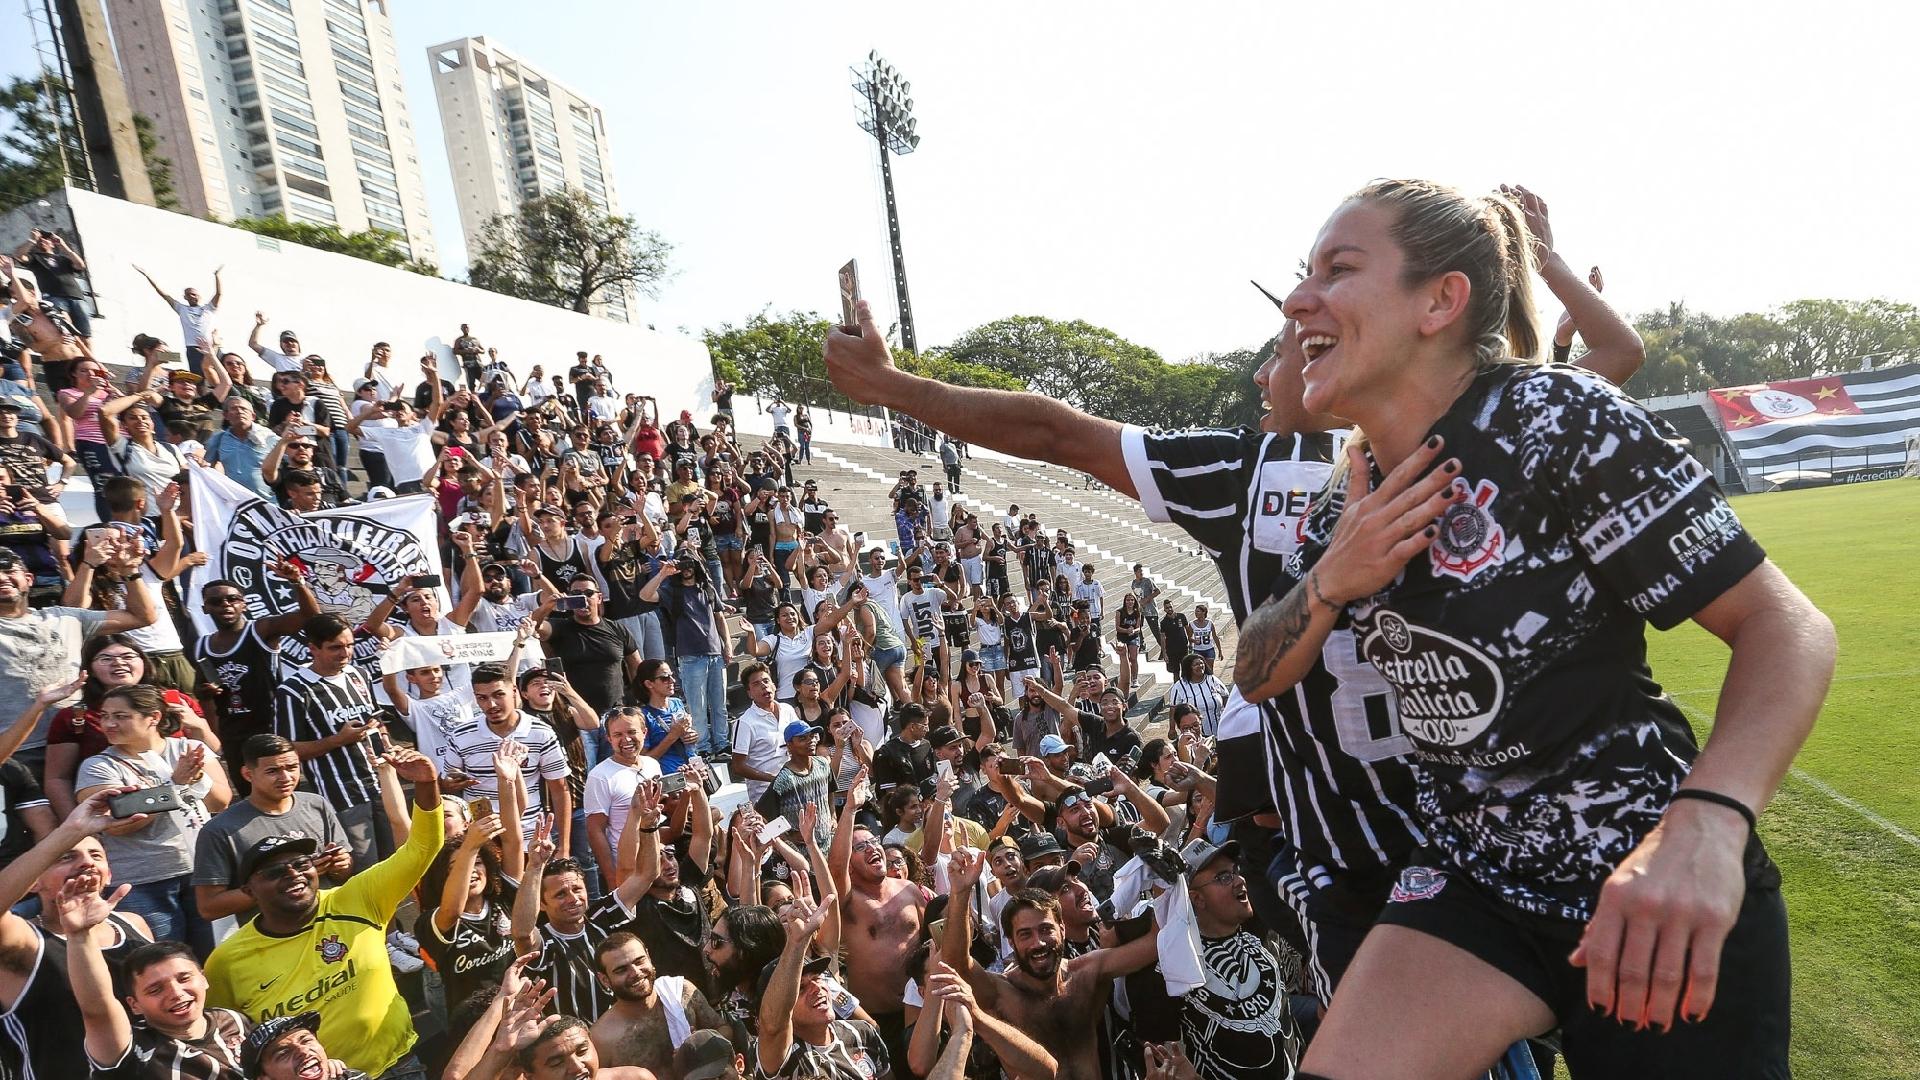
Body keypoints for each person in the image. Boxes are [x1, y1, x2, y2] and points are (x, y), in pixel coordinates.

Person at [1234, 179, 1831, 1077]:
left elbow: (1785, 626)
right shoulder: (1346, 498)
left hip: (1642, 878)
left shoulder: (1555, 419)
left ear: (1441, 301)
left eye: (1338, 269)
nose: (1299, 300)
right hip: (1472, 882)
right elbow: (1255, 674)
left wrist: (1707, 828)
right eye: (1303, 274)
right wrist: (1329, 580)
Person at [204, 746, 445, 1080]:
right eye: (273, 872)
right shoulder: (226, 962)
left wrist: (426, 785)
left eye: (302, 863)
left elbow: (422, 848)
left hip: (400, 1065)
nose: (293, 874)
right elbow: (225, 1034)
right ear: (248, 891)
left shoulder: (357, 898)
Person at [941, 847, 1161, 1080]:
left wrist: (1163, 881)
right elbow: (957, 965)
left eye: (1046, 930)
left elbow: (1156, 943)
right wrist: (961, 892)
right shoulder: (1001, 993)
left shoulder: (1086, 973)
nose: (1038, 943)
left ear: (1062, 929)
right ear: (1011, 942)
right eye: (1025, 934)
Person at [0, 789, 157, 1080]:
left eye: (96, 854)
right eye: (66, 857)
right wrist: (72, 829)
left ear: (109, 873)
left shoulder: (133, 924)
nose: (86, 863)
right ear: (33, 881)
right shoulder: (25, 942)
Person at [72, 684, 231, 951]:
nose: (109, 724)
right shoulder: (98, 766)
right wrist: (175, 786)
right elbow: (117, 822)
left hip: (201, 873)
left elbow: (220, 801)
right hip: (141, 882)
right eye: (105, 716)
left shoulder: (189, 749)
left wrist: (195, 778)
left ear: (154, 718)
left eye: (120, 716)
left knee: (216, 956)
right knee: (162, 960)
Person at [0, 546, 157, 781]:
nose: (2, 578)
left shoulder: (65, 617)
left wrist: (131, 571)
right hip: (21, 750)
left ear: (29, 579)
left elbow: (142, 616)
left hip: (82, 738)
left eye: (9, 570)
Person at [510, 799, 673, 1022]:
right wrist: (535, 866)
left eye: (577, 889)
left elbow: (645, 875)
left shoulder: (601, 918)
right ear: (542, 904)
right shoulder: (545, 942)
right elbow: (521, 933)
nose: (573, 899)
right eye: (560, 894)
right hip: (577, 1047)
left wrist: (648, 826)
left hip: (627, 1035)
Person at [193, 733, 351, 922]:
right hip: (272, 940)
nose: (285, 777)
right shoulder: (220, 830)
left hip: (330, 925)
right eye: (272, 771)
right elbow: (209, 907)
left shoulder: (316, 805)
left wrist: (339, 865)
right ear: (247, 774)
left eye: (292, 767)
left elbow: (345, 871)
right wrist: (285, 882)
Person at [273, 613, 388, 869]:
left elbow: (378, 721)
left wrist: (388, 749)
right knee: (365, 870)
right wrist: (338, 740)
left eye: (349, 645)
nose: (345, 653)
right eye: (335, 647)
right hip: (342, 793)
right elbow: (289, 750)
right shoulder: (294, 690)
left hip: (383, 785)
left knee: (397, 862)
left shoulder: (359, 676)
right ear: (312, 648)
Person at [189, 564, 321, 786]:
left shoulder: (260, 630)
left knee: (284, 787)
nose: (225, 605)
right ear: (205, 608)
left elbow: (310, 618)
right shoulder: (202, 646)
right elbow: (203, 695)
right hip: (234, 733)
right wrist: (216, 728)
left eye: (232, 599)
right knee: (249, 791)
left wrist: (297, 582)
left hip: (270, 726)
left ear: (244, 604)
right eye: (216, 602)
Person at [444, 663, 572, 846]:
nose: (491, 705)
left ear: (514, 691)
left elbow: (560, 789)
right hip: (480, 838)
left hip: (528, 837)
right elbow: (448, 781)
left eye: (498, 695)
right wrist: (452, 782)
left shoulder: (541, 732)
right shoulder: (461, 735)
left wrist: (564, 846)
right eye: (482, 698)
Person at [588, 931, 725, 1075]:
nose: (635, 972)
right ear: (604, 980)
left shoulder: (682, 993)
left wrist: (703, 1045)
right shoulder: (601, 1039)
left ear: (649, 956)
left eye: (639, 961)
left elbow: (723, 1027)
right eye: (621, 970)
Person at [638, 555, 732, 756]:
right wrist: (663, 573)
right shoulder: (671, 591)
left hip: (715, 651)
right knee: (697, 707)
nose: (687, 568)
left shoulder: (707, 587)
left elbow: (720, 617)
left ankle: (722, 743)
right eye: (683, 565)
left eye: (690, 564)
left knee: (719, 704)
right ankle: (704, 747)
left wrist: (728, 645)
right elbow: (645, 595)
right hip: (690, 655)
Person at [541, 574, 642, 721]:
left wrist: (638, 702)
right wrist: (547, 606)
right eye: (576, 594)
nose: (583, 599)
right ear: (569, 597)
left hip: (615, 714)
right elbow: (534, 626)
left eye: (589, 593)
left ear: (599, 598)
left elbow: (636, 666)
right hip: (575, 716)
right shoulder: (559, 627)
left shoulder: (616, 629)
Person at [583, 707, 665, 886]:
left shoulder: (652, 765)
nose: (626, 739)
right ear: (609, 739)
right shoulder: (600, 776)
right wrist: (612, 877)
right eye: (618, 734)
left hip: (659, 859)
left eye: (632, 732)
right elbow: (595, 830)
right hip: (629, 868)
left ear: (644, 733)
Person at [756, 720, 835, 849]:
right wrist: (786, 838)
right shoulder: (784, 780)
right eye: (803, 738)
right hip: (803, 852)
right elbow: (761, 815)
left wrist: (833, 816)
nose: (811, 741)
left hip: (829, 842)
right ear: (789, 745)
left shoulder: (823, 764)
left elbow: (831, 790)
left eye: (812, 736)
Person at [730, 662, 799, 804]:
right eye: (756, 684)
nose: (764, 686)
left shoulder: (787, 709)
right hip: (766, 794)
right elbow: (738, 767)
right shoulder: (744, 723)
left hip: (795, 785)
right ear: (749, 693)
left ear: (773, 685)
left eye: (766, 681)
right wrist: (773, 779)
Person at [132, 264, 221, 374]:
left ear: (199, 296)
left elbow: (219, 293)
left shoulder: (208, 308)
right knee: (198, 377)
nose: (192, 296)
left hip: (211, 346)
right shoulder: (181, 308)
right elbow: (163, 294)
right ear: (185, 297)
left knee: (218, 373)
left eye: (194, 294)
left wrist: (216, 276)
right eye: (189, 295)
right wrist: (147, 275)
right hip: (193, 347)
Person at [16, 228, 90, 337]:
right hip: (54, 297)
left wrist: (63, 245)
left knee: (86, 334)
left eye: (45, 239)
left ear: (52, 243)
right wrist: (31, 240)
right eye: (39, 240)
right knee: (67, 329)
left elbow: (80, 265)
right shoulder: (35, 258)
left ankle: (88, 354)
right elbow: (18, 255)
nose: (42, 241)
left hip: (76, 296)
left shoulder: (63, 259)